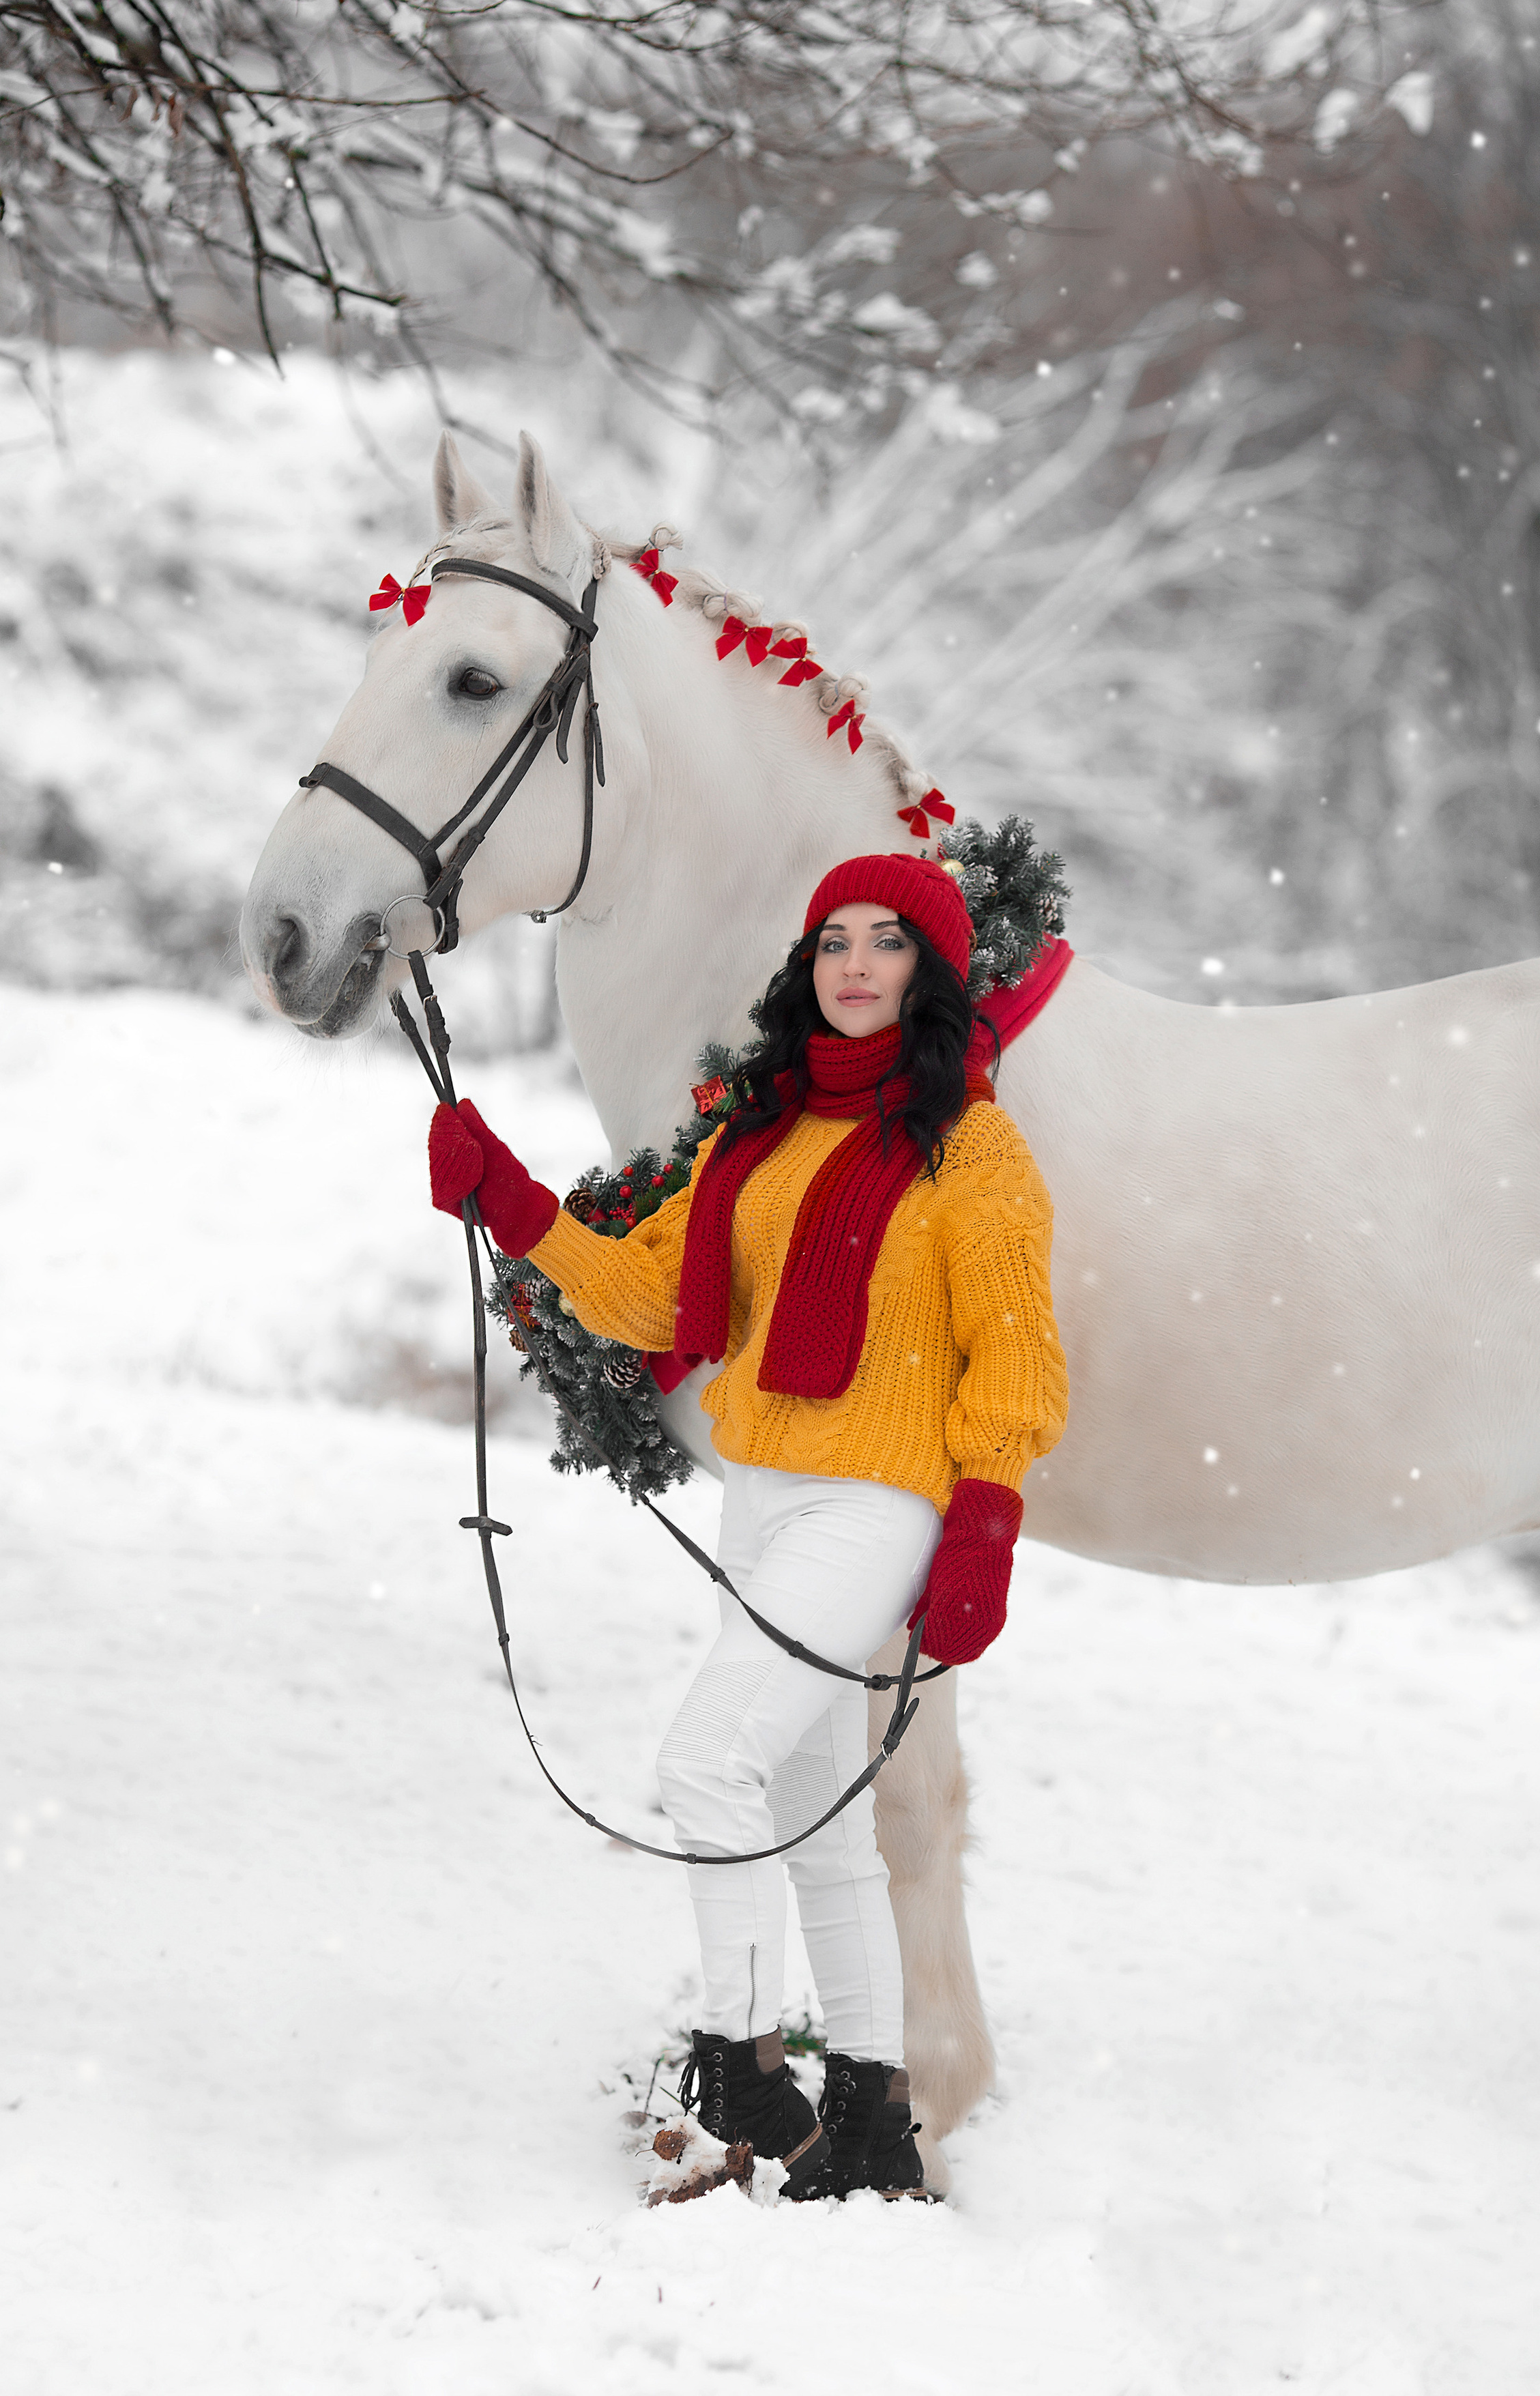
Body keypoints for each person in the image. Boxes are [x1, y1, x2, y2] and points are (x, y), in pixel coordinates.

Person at [426, 853, 1067, 2201]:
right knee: (807, 1820)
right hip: (763, 1496)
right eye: (830, 939)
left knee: (704, 1762)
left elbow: (1014, 1356)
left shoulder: (973, 1147)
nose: (850, 964)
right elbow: (651, 1297)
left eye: (884, 942)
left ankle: (739, 2058)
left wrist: (984, 1523)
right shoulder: (756, 1133)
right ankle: (874, 2129)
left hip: (875, 1503)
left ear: (928, 972)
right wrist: (508, 1199)